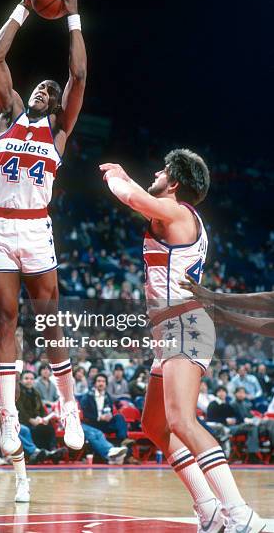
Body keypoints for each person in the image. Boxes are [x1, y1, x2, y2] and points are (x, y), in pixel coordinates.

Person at [100, 150, 265, 532]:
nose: (154, 172)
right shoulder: (173, 216)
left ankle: (241, 515)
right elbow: (143, 201)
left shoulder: (176, 213)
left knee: (182, 421)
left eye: (161, 170)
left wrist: (116, 173)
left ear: (173, 182)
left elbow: (131, 197)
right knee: (155, 424)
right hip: (170, 329)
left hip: (184, 324)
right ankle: (208, 509)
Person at [0, 0, 87, 455]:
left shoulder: (59, 133)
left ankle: (69, 405)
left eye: (52, 88)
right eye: (40, 87)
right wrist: (25, 4)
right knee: (6, 321)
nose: (45, 90)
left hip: (35, 231)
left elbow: (79, 75)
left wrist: (72, 15)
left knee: (48, 323)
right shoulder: (9, 114)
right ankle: (6, 414)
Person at [81, 374, 129, 444]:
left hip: (105, 424)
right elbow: (85, 414)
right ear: (95, 383)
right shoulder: (88, 396)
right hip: (93, 424)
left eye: (103, 381)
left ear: (106, 384)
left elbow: (110, 411)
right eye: (99, 381)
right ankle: (120, 444)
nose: (101, 383)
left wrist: (109, 416)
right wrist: (99, 418)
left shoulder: (108, 396)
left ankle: (123, 441)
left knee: (119, 417)